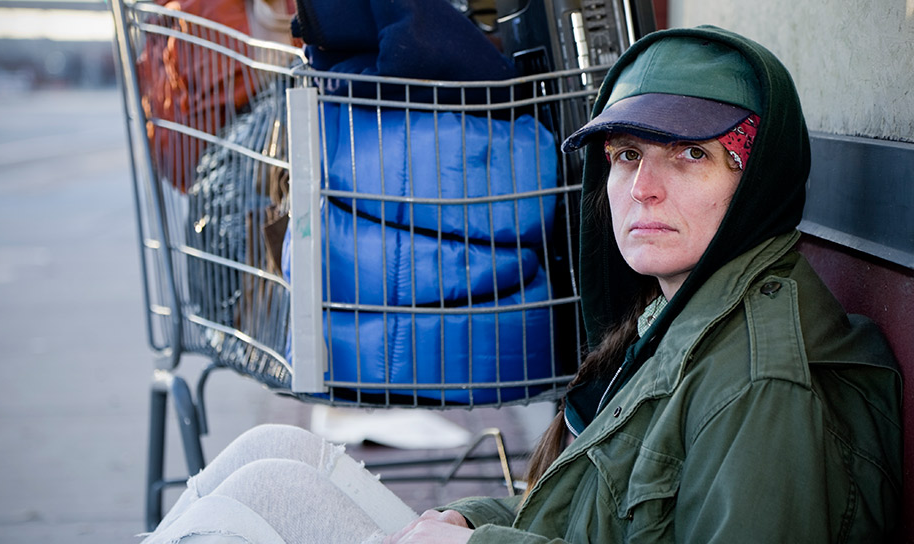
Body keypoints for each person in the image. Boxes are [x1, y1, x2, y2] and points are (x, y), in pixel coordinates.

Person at [140, 25, 902, 544]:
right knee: (276, 450)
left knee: (271, 490)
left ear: (756, 179)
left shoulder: (759, 385)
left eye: (690, 156)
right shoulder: (676, 312)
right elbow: (589, 509)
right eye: (627, 156)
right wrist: (472, 519)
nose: (644, 188)